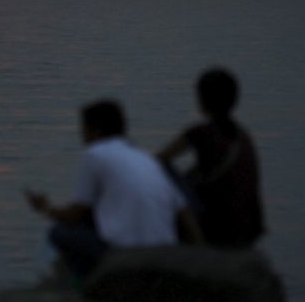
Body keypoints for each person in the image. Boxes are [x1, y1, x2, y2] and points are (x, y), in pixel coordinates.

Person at [26, 99, 202, 281]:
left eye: (83, 129)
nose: (81, 135)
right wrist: (200, 252)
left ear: (96, 130)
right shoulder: (145, 159)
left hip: (126, 255)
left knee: (58, 233)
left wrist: (46, 208)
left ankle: (91, 286)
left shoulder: (94, 154)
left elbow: (76, 215)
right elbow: (183, 211)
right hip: (165, 251)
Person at [157, 68, 265, 249]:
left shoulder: (201, 133)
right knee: (193, 174)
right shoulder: (243, 136)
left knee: (165, 170)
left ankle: (192, 237)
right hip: (246, 229)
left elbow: (161, 159)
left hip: (215, 225)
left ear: (202, 100)